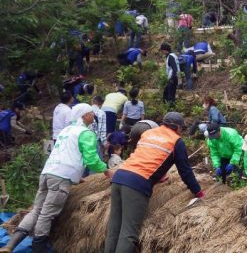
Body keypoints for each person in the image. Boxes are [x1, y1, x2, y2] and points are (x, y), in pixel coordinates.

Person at [1, 104, 112, 253]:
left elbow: (65, 153)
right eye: (92, 113)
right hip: (60, 177)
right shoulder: (85, 133)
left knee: (36, 210)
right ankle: (38, 248)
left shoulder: (66, 130)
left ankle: (10, 245)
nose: (94, 116)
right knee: (47, 214)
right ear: (85, 115)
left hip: (48, 172)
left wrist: (73, 175)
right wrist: (107, 171)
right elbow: (92, 159)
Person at [104, 112, 205, 253]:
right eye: (181, 128)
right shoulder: (176, 141)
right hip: (136, 185)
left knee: (114, 228)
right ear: (176, 127)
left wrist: (158, 176)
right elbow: (185, 171)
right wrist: (198, 192)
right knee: (128, 233)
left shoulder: (149, 134)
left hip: (119, 177)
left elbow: (147, 156)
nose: (181, 131)